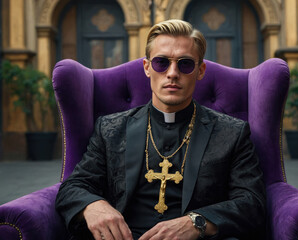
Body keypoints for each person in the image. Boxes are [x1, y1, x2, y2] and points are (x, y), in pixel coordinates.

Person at [55, 19, 266, 240]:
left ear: (200, 70)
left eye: (185, 64)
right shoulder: (111, 129)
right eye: (161, 63)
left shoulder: (232, 132)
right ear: (147, 68)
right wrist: (93, 206)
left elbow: (252, 202)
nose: (172, 73)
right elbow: (73, 186)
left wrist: (196, 222)